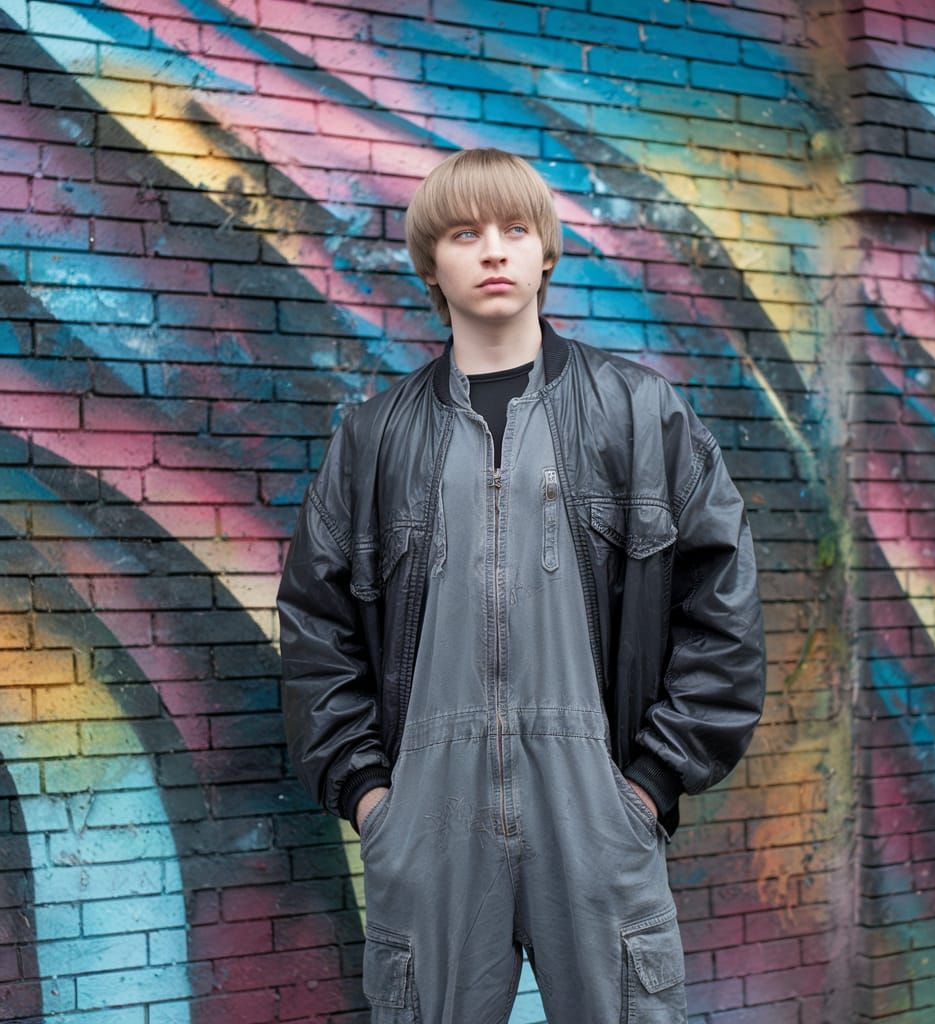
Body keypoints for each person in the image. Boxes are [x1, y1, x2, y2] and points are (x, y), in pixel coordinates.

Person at [276, 146, 766, 1023]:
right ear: (432, 263)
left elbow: (722, 609)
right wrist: (371, 798)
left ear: (547, 251)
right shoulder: (374, 439)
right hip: (429, 820)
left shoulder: (640, 413)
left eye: (514, 229)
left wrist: (649, 783)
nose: (493, 251)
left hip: (598, 809)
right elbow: (317, 627)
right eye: (464, 233)